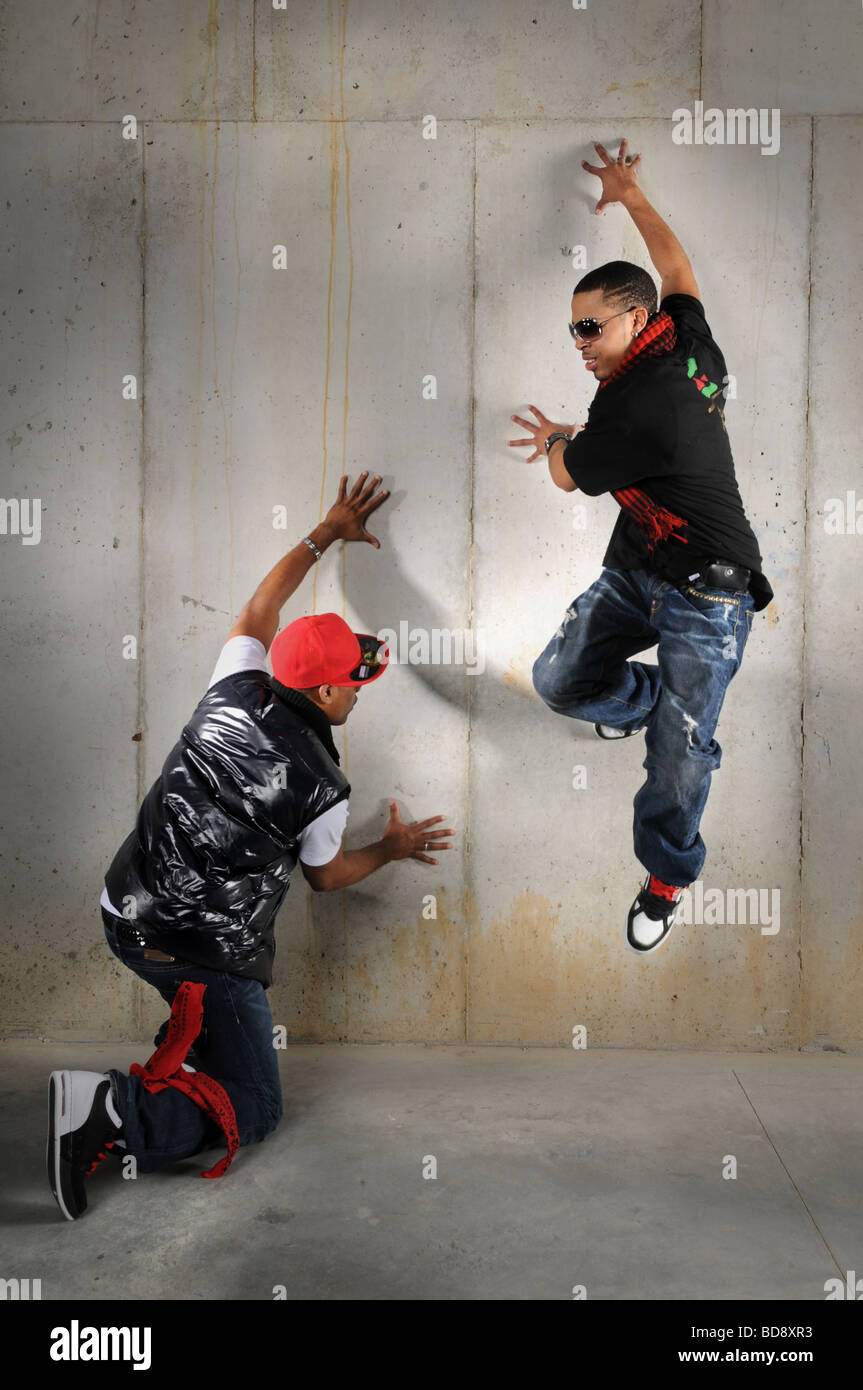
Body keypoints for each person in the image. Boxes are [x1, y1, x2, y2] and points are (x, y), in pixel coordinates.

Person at [48, 472, 454, 1220]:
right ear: (327, 694)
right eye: (355, 680)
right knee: (258, 1108)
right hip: (196, 949)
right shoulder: (325, 787)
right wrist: (391, 849)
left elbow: (259, 607)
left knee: (219, 1042)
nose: (361, 690)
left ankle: (186, 1060)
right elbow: (327, 879)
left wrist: (324, 531)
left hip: (122, 909)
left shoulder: (236, 679)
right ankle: (108, 1108)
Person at [508, 139, 772, 954]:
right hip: (637, 569)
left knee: (679, 764)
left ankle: (666, 876)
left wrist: (560, 438)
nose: (578, 341)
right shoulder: (683, 338)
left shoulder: (637, 412)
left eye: (590, 327)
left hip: (710, 593)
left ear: (631, 320)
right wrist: (628, 193)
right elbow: (678, 268)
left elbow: (562, 476)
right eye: (571, 327)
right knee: (559, 680)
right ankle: (664, 709)